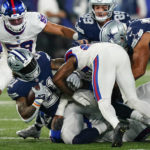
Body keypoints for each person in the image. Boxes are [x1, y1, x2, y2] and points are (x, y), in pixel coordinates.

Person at [53, 42, 150, 147]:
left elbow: (58, 77)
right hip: (118, 51)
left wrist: (73, 93)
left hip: (102, 58)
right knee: (132, 100)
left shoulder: (75, 60)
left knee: (103, 101)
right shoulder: (82, 56)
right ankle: (143, 119)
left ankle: (117, 124)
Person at [0, 0, 76, 94]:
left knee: (58, 70)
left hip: (32, 61)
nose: (16, 22)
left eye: (19, 19)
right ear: (4, 18)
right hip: (8, 63)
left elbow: (60, 30)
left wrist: (78, 36)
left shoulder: (33, 19)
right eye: (12, 20)